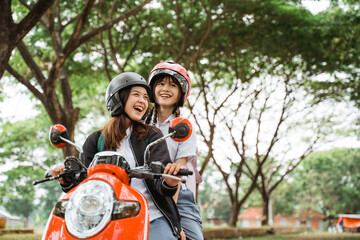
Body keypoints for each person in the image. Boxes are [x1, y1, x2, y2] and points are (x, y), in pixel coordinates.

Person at [51, 72, 184, 240]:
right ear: (118, 99)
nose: (143, 101)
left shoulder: (152, 136)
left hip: (151, 216)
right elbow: (84, 183)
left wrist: (170, 181)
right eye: (136, 94)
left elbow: (161, 184)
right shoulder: (96, 140)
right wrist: (66, 180)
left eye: (145, 97)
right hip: (104, 218)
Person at [145, 61, 203, 240]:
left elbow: (177, 172)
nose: (165, 89)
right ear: (152, 89)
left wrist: (173, 218)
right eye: (160, 83)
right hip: (144, 191)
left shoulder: (184, 127)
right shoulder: (140, 125)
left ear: (181, 93)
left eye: (172, 85)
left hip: (176, 194)